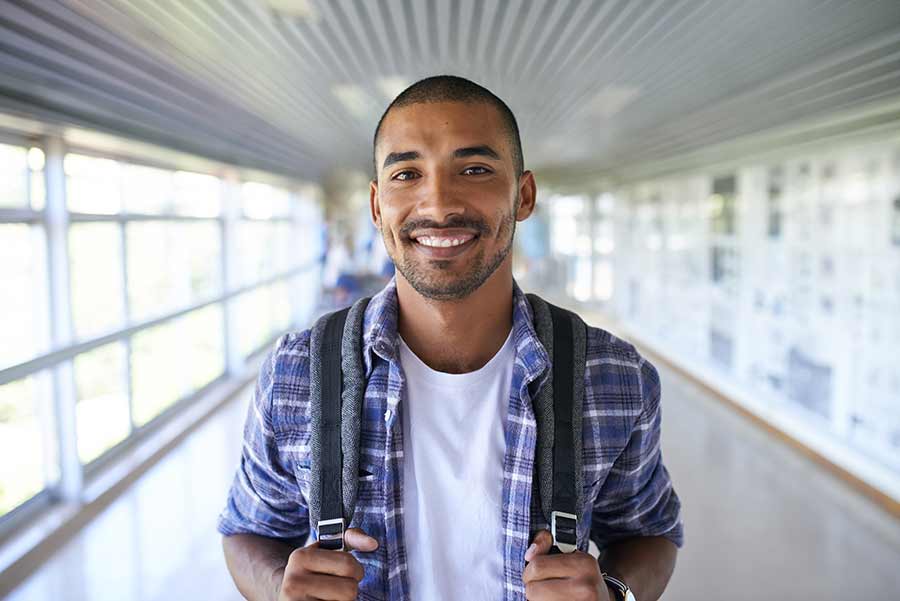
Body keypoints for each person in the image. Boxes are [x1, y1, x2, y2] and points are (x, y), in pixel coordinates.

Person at [218, 75, 683, 601]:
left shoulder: (612, 377)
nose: (438, 203)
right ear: (377, 206)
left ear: (523, 195)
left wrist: (614, 592)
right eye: (407, 173)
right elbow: (248, 531)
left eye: (475, 169)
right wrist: (280, 589)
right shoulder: (297, 373)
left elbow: (649, 532)